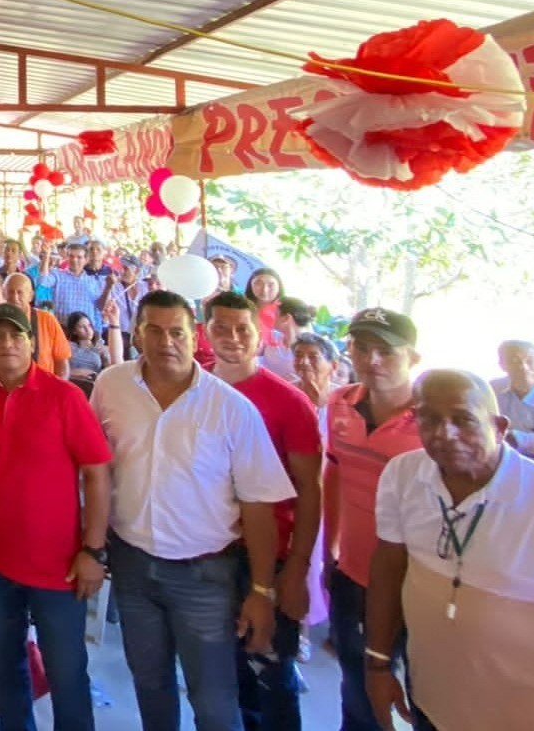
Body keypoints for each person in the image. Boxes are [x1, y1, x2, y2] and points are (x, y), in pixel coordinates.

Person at [90, 290, 295, 731]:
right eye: (154, 331)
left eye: (177, 332)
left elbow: (258, 506)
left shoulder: (231, 408)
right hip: (131, 565)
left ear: (194, 335)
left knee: (214, 701)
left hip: (205, 577)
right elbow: (96, 468)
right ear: (137, 334)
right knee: (150, 684)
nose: (166, 342)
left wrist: (262, 591)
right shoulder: (110, 386)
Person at [367, 370, 534, 731]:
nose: (444, 433)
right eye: (429, 419)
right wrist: (377, 663)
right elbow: (389, 565)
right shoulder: (403, 474)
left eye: (463, 419)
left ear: (499, 427)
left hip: (532, 718)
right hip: (431, 703)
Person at [0, 303, 112, 731]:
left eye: (16, 335)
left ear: (31, 343)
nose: (7, 343)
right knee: (5, 666)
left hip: (58, 566)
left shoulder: (65, 397)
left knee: (66, 674)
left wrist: (94, 551)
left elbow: (98, 473)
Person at [206, 292, 323, 731]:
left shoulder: (289, 401)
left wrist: (297, 568)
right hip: (207, 555)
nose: (233, 337)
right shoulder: (194, 388)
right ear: (206, 332)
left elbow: (310, 490)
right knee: (220, 674)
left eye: (243, 329)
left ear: (260, 335)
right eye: (221, 327)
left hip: (269, 558)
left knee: (271, 672)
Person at [323, 308, 425, 731]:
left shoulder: (434, 419)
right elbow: (334, 474)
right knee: (358, 686)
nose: (372, 360)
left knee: (424, 697)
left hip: (418, 583)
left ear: (413, 358)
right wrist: (329, 551)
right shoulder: (339, 403)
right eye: (362, 348)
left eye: (386, 351)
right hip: (354, 575)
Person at [5, 272, 72, 379]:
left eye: (20, 292)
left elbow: (62, 362)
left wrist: (58, 387)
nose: (15, 297)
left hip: (45, 386)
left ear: (31, 296)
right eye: (10, 292)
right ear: (3, 294)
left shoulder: (47, 319)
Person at [50, 240, 107, 330]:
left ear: (86, 260)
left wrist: (98, 332)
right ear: (67, 257)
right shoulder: (57, 275)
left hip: (86, 333)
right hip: (62, 329)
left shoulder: (93, 282)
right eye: (71, 256)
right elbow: (42, 282)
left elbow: (98, 309)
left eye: (79, 257)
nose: (74, 260)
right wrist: (46, 259)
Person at [63, 307, 123, 386]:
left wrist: (106, 357)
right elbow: (61, 370)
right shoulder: (68, 345)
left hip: (95, 385)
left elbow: (112, 371)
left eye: (89, 325)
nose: (88, 330)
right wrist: (80, 373)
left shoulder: (100, 347)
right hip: (71, 383)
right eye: (82, 327)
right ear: (74, 331)